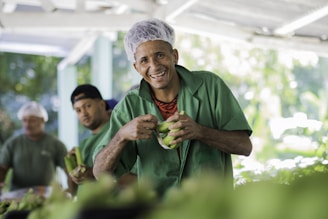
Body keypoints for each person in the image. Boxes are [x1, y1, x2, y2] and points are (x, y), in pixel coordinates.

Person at [93, 18, 253, 197]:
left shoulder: (210, 86)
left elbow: (244, 146)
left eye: (160, 55)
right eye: (144, 60)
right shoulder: (130, 105)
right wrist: (122, 136)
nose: (154, 66)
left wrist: (200, 132)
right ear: (136, 67)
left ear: (174, 56)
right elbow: (100, 174)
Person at [69, 84, 136, 195]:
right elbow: (73, 191)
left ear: (101, 104)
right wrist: (72, 169)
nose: (84, 113)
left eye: (87, 106)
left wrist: (94, 174)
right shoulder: (84, 144)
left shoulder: (122, 133)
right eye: (78, 110)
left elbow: (138, 180)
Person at [0, 101, 71, 196]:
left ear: (42, 120)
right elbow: (2, 169)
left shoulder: (56, 144)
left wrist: (71, 192)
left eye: (32, 120)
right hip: (17, 197)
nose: (27, 124)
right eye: (24, 120)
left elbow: (70, 172)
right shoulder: (12, 144)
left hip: (47, 196)